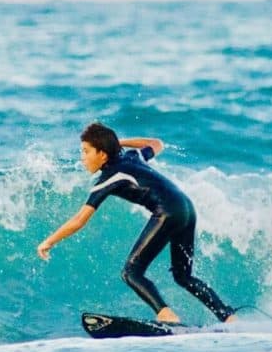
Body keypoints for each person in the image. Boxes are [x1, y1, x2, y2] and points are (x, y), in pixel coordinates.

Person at [37, 122, 236, 324]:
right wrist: (117, 143)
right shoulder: (133, 156)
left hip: (166, 212)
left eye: (86, 151)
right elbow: (157, 143)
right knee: (183, 277)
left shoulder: (108, 178)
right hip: (187, 208)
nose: (82, 157)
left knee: (131, 272)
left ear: (102, 154)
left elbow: (79, 220)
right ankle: (227, 316)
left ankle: (167, 316)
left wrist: (49, 241)